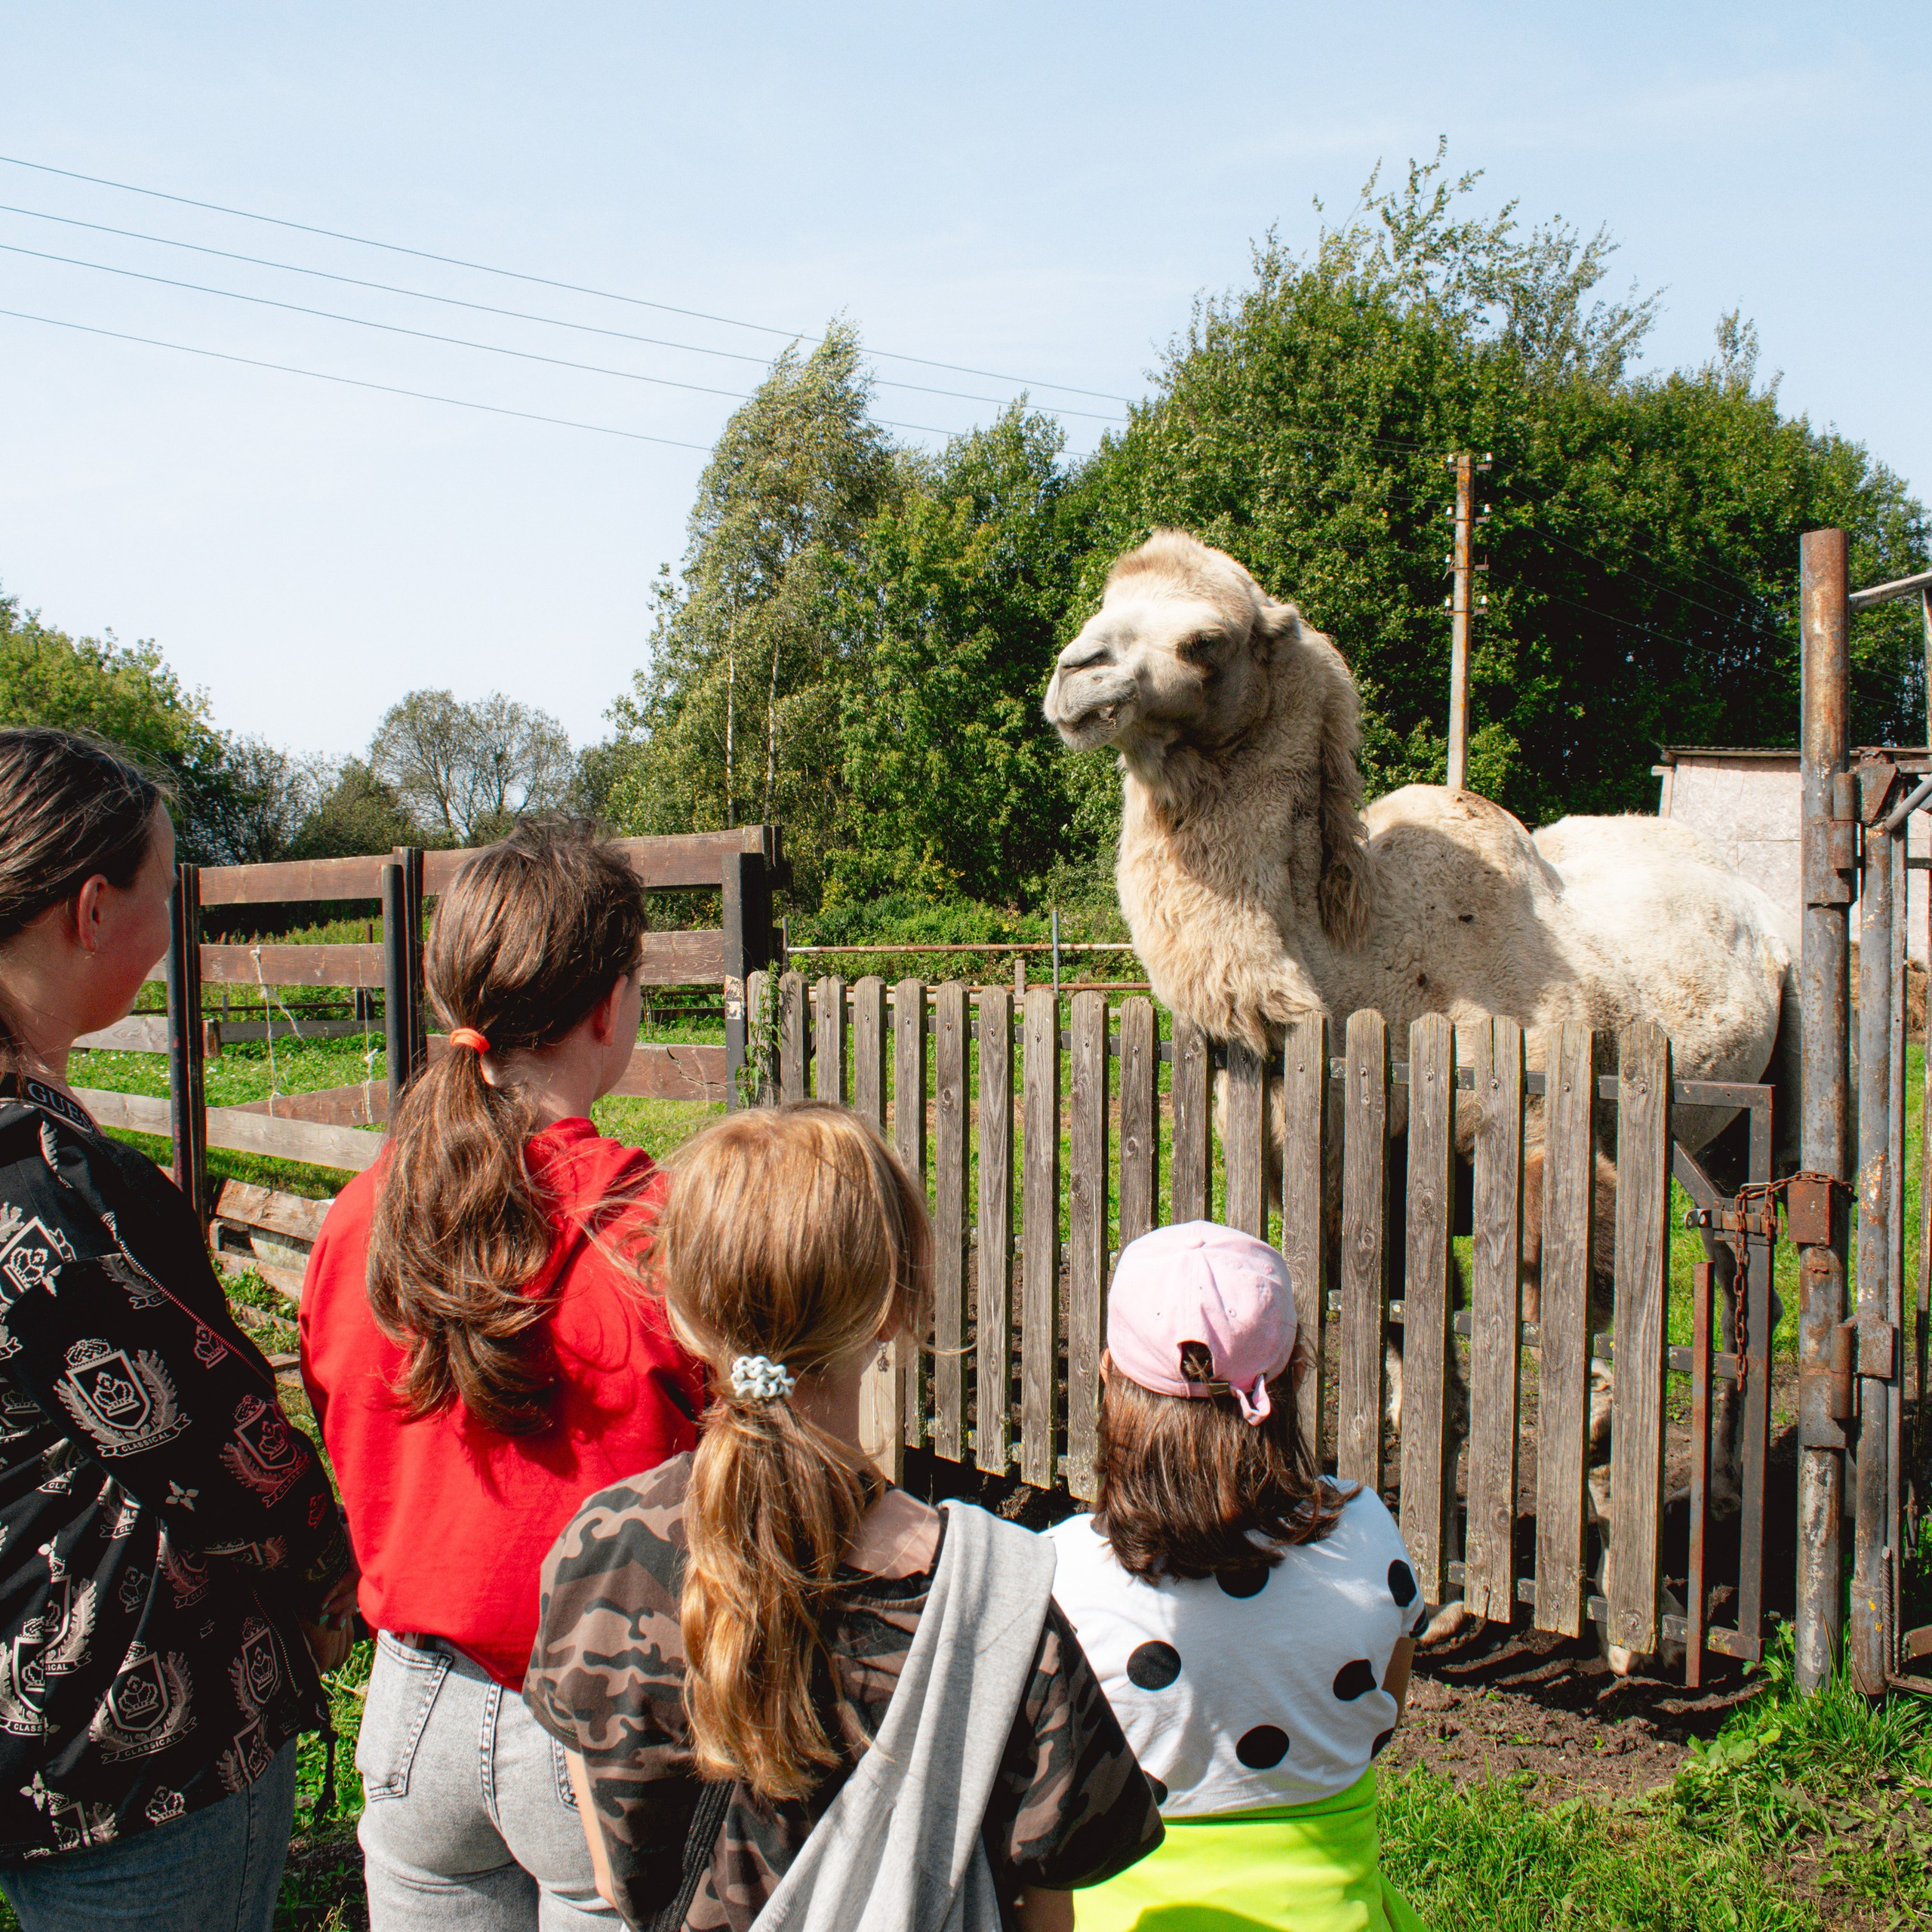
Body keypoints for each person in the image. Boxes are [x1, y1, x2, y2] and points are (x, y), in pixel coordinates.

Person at [525, 1100, 1164, 1932]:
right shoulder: (992, 1597)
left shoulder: (597, 1549)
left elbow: (615, 1878)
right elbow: (1050, 1906)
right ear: (892, 1308)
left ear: (678, 1305)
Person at [300, 823, 706, 1930]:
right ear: (607, 1009)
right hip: (607, 1715)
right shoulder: (656, 1233)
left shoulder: (360, 1219)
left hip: (412, 1704)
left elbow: (341, 1414)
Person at [0, 726, 355, 1931]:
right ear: (91, 911)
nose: (170, 929)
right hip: (132, 1758)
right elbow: (224, 1459)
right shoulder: (50, 1188)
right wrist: (336, 1583)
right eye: (164, 893)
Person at [1045, 1220, 1427, 1932]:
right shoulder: (1371, 1536)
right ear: (1296, 1375)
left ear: (1107, 1379)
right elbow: (1384, 1712)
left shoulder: (1057, 1579)